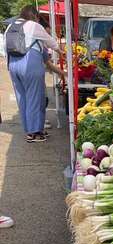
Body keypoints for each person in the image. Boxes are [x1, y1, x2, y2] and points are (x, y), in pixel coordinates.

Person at [5, 5, 63, 142]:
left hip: (13, 64)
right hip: (29, 63)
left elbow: (5, 48)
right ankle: (35, 132)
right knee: (35, 97)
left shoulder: (10, 27)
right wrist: (60, 51)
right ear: (34, 16)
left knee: (23, 99)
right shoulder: (33, 25)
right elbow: (50, 41)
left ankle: (30, 130)